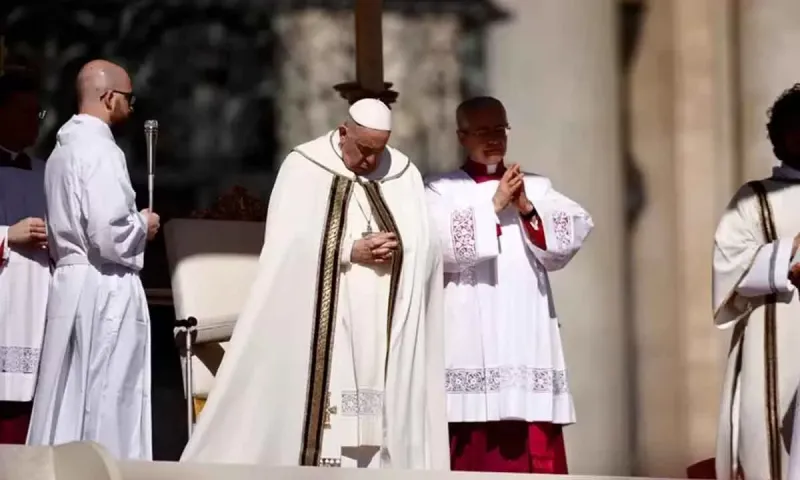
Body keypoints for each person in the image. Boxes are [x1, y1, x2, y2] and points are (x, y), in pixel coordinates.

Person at [181, 98, 449, 469]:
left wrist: (402, 247)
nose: (371, 161)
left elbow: (429, 243)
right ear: (343, 132)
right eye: (364, 149)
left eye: (379, 150)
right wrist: (348, 249)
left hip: (383, 318)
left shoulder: (403, 172)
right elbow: (284, 245)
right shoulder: (304, 166)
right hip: (326, 316)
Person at [424, 96, 593, 474]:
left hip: (524, 325)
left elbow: (569, 236)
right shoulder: (439, 190)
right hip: (469, 327)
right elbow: (435, 247)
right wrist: (493, 207)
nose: (494, 139)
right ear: (461, 136)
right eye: (482, 131)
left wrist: (527, 209)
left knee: (530, 429)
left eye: (499, 129)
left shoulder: (536, 185)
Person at [26, 60, 160, 460]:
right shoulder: (101, 149)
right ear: (109, 97)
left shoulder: (60, 151)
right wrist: (143, 224)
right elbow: (108, 233)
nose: (131, 109)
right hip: (103, 286)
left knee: (67, 393)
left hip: (70, 283)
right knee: (106, 393)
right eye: (129, 99)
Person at [714, 84, 800, 480]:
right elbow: (728, 266)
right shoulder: (754, 198)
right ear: (782, 136)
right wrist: (786, 259)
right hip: (774, 334)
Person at [0, 66, 50, 444]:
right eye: (26, 112)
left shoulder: (46, 172)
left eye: (39, 113)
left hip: (36, 302)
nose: (36, 123)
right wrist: (7, 236)